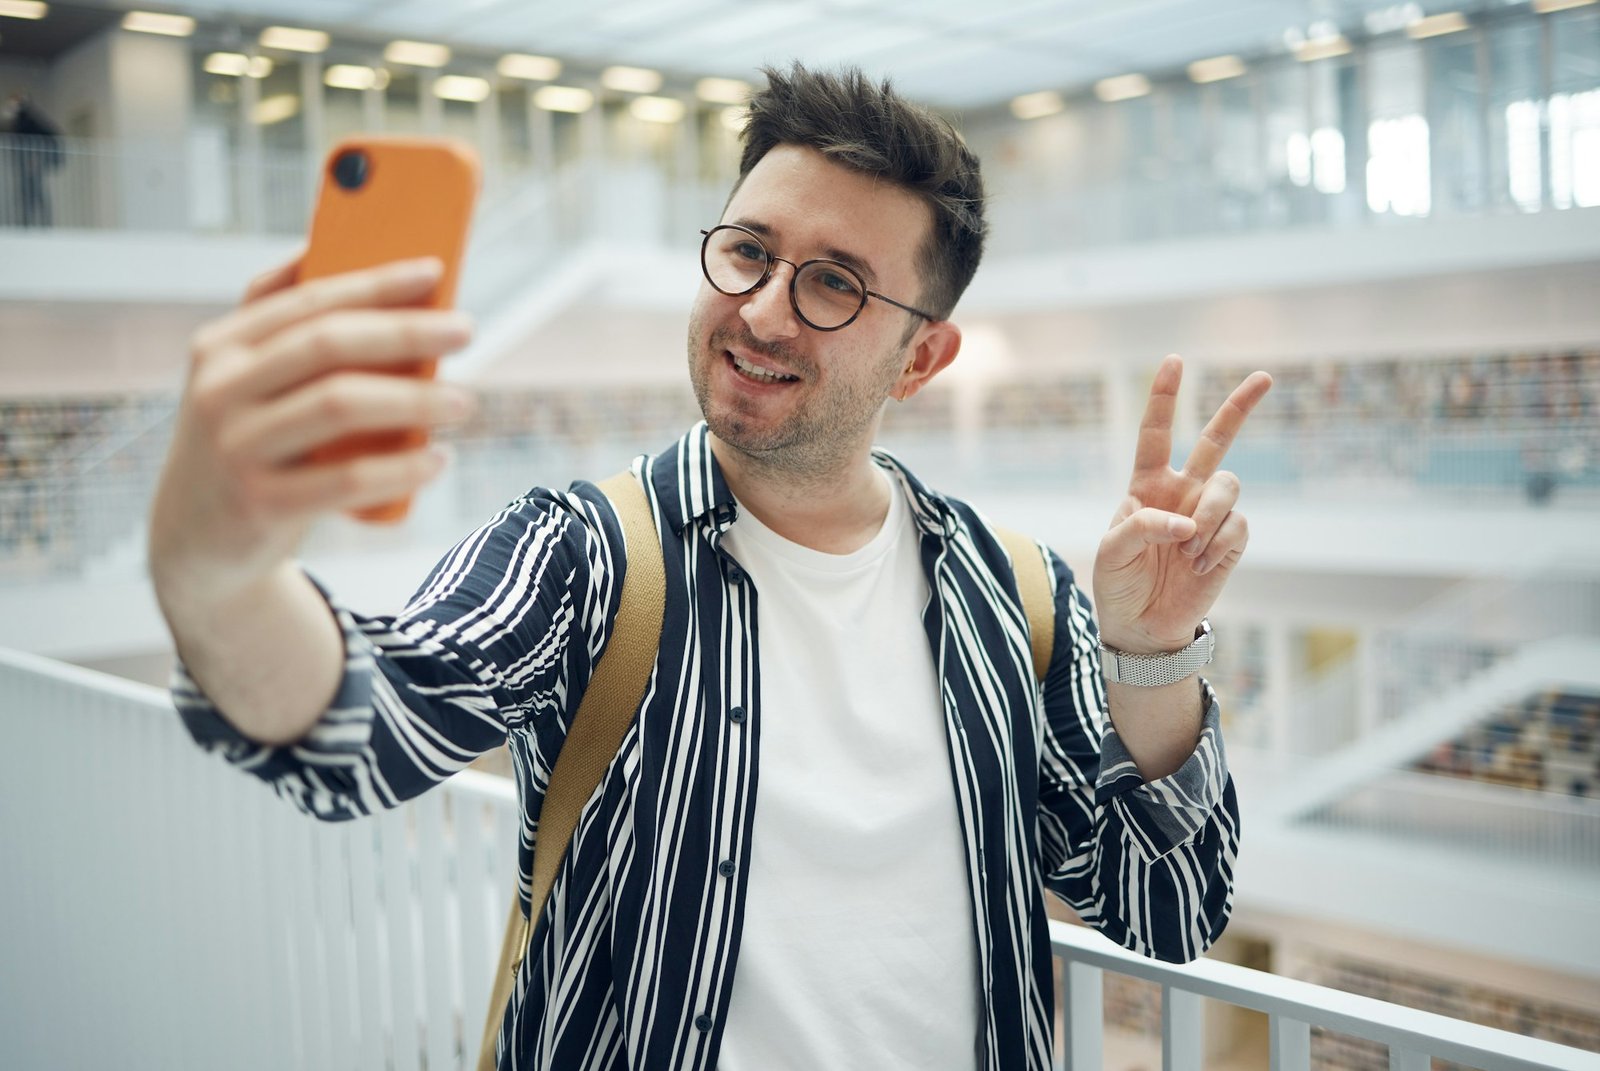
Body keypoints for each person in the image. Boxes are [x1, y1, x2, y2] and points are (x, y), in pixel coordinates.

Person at [151, 64, 1271, 1071]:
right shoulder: (586, 555)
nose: (761, 310)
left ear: (920, 356)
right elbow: (360, 725)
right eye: (746, 251)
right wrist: (215, 573)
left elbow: (1166, 909)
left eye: (834, 283)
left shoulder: (1011, 593)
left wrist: (1153, 651)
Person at [2, 91, 60, 228]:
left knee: (34, 193)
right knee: (28, 193)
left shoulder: (29, 120)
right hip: (26, 163)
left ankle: (40, 223)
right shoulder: (21, 120)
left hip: (32, 163)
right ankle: (29, 222)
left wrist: (36, 158)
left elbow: (45, 136)